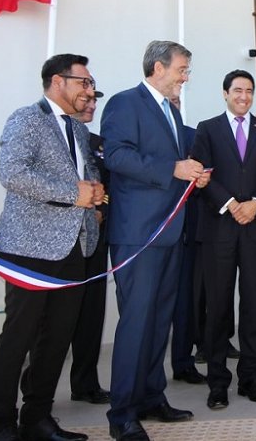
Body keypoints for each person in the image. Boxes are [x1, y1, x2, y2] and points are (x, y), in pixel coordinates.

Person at [0, 54, 105, 441]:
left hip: (74, 247)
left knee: (56, 338)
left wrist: (94, 191)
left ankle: (37, 418)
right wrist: (75, 194)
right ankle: (1, 423)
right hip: (29, 247)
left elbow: (84, 177)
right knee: (19, 336)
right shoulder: (26, 119)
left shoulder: (79, 130)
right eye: (83, 82)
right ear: (58, 81)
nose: (89, 90)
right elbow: (14, 174)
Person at [101, 41, 210, 441]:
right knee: (136, 323)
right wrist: (173, 168)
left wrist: (193, 174)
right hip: (138, 235)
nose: (186, 77)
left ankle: (151, 397)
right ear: (158, 67)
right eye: (182, 69)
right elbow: (117, 156)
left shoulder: (172, 111)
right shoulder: (125, 103)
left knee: (159, 321)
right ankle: (122, 414)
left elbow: (173, 167)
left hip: (170, 232)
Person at [190, 70, 256, 410]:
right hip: (220, 229)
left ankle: (250, 380)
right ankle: (218, 383)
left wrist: (255, 204)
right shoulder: (208, 129)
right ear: (225, 93)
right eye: (237, 90)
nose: (244, 96)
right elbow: (201, 173)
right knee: (218, 307)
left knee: (253, 306)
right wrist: (231, 205)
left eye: (249, 90)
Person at [67, 90, 112, 405]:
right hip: (61, 242)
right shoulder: (58, 139)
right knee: (51, 320)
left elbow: (111, 187)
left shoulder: (99, 145)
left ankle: (86, 383)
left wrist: (101, 211)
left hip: (95, 239)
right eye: (87, 100)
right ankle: (34, 387)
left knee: (91, 315)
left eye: (95, 101)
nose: (91, 106)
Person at [169, 94, 207, 386]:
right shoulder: (148, 137)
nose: (171, 105)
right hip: (154, 234)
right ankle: (147, 371)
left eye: (175, 101)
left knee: (187, 303)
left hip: (189, 233)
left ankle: (183, 362)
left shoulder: (195, 136)